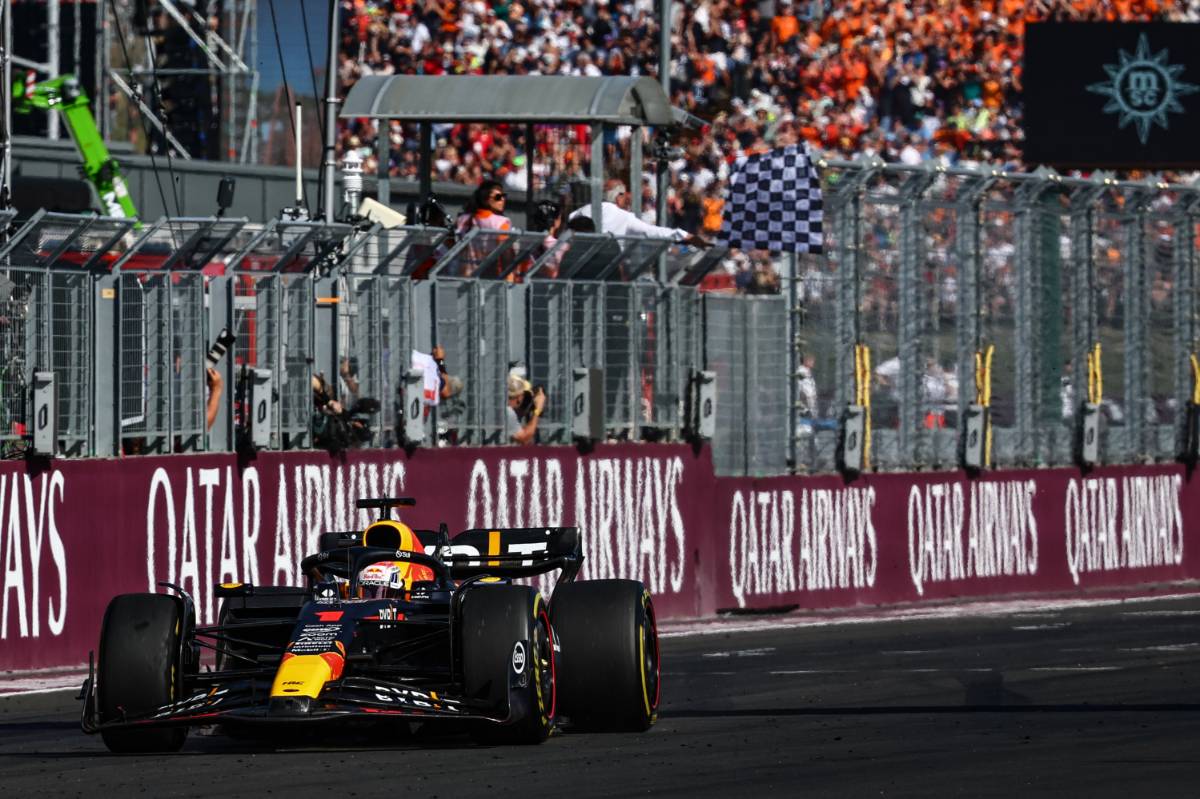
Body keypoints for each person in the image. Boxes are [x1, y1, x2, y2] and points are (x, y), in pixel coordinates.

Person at [567, 179, 709, 246]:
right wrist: (686, 236)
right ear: (618, 196)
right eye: (624, 194)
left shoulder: (587, 208)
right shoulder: (624, 216)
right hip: (609, 265)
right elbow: (653, 232)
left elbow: (570, 218)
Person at [505, 372, 545, 446]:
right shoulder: (508, 412)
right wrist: (537, 409)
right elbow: (524, 438)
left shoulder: (503, 408)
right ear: (520, 397)